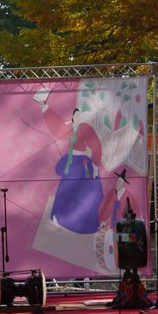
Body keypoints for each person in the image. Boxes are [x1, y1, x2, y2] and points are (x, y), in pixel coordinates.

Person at [36, 87, 105, 234]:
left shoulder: (85, 128)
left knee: (86, 192)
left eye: (80, 115)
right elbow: (56, 123)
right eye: (76, 115)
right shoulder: (68, 127)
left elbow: (96, 145)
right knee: (66, 189)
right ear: (73, 117)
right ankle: (61, 218)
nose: (77, 117)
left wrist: (95, 165)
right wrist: (45, 106)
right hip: (71, 162)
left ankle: (88, 223)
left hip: (83, 163)